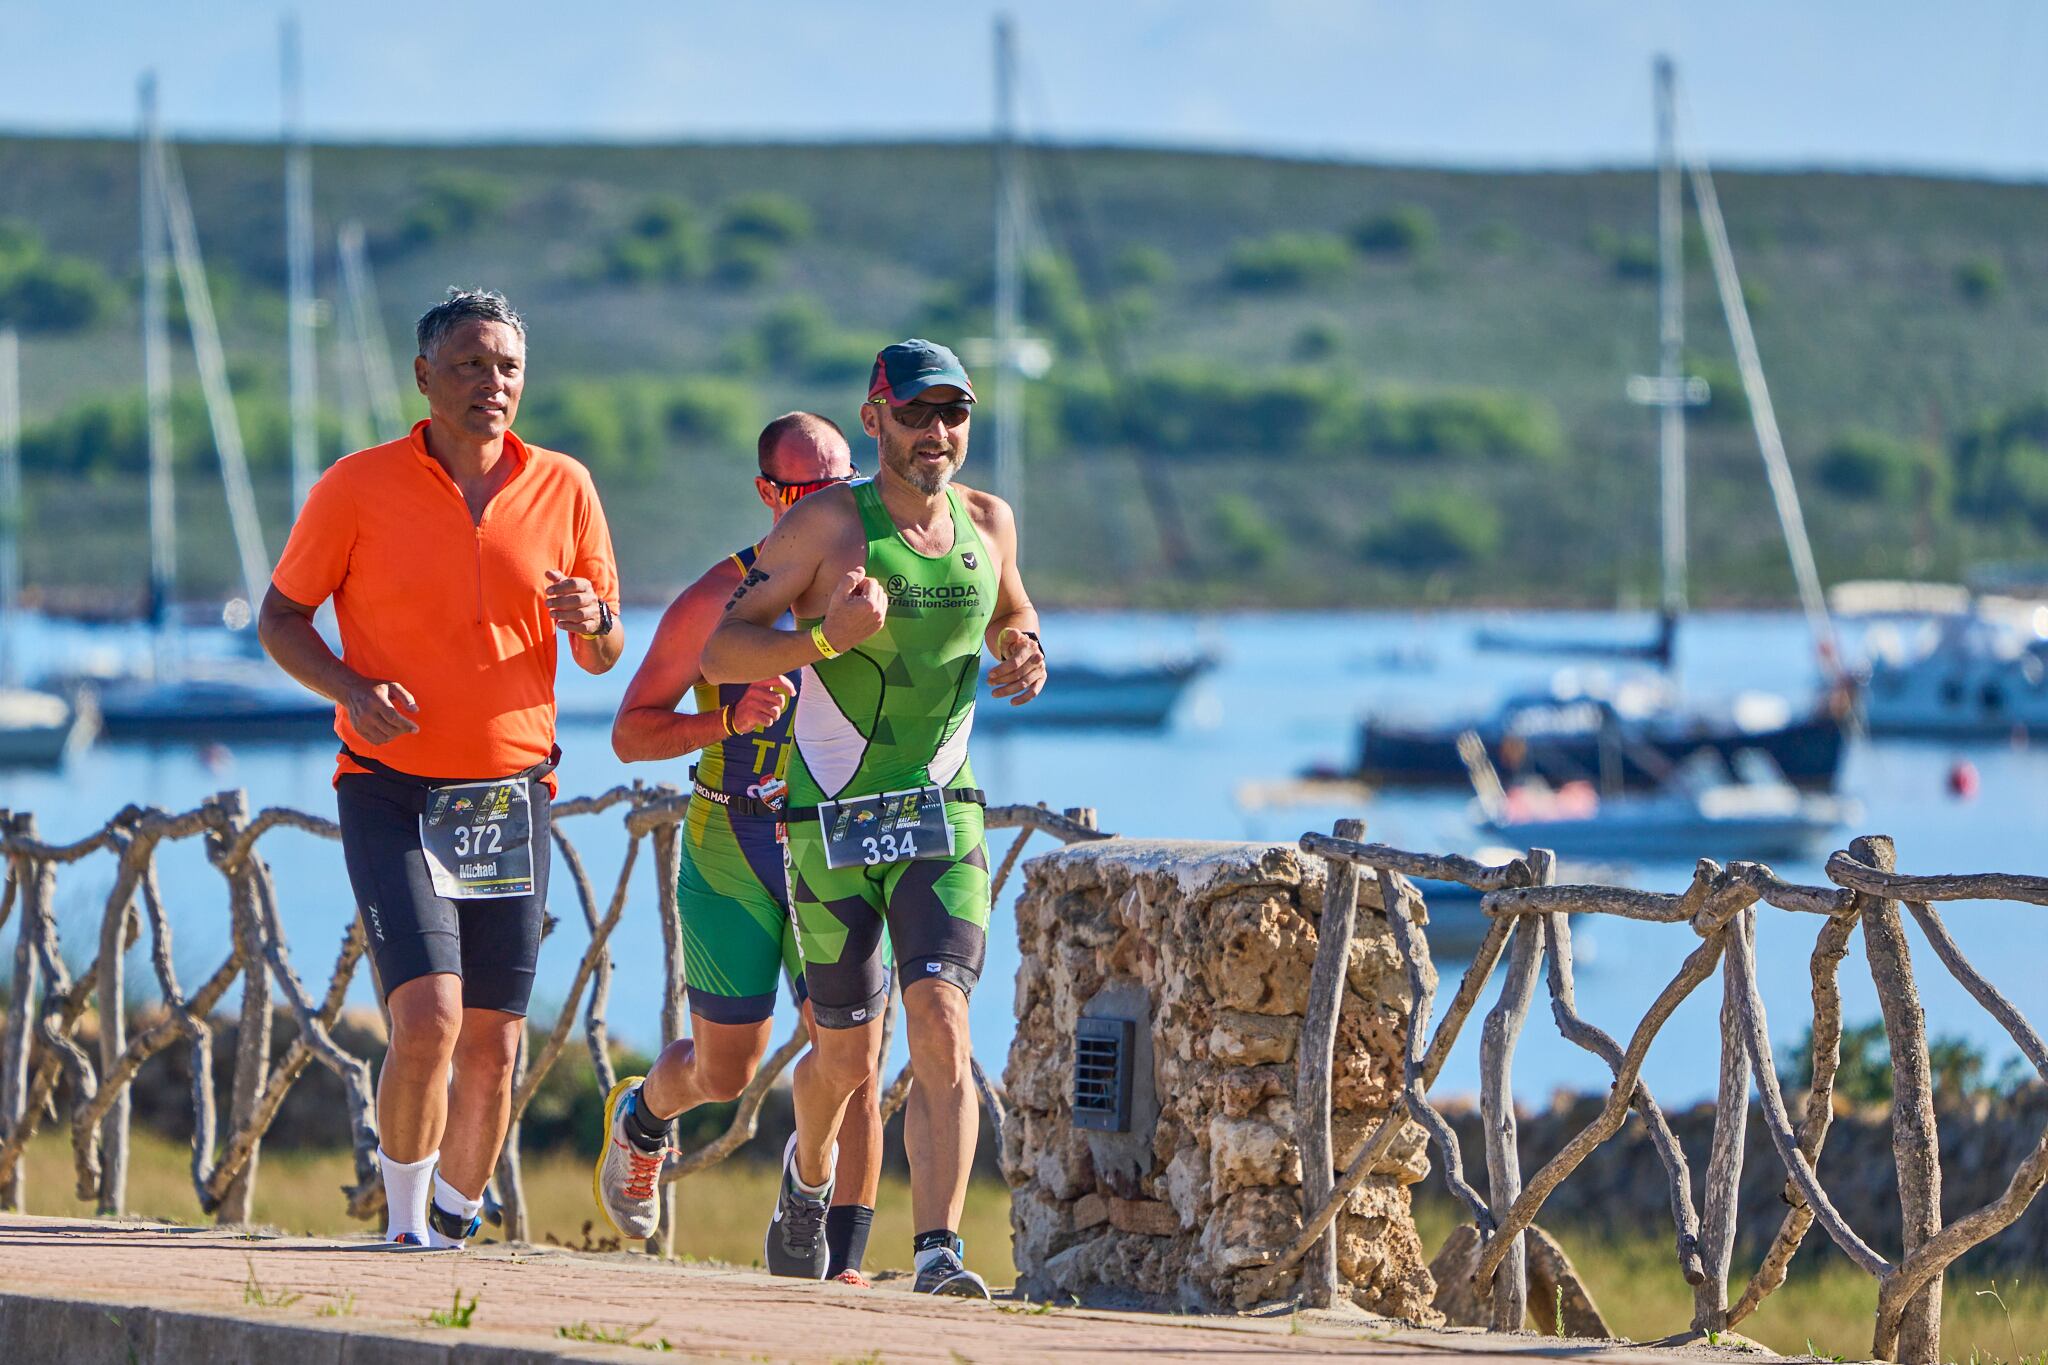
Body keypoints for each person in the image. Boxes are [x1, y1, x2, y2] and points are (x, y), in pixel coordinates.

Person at [259, 288, 623, 1248]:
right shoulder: (356, 486)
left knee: (497, 1043)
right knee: (427, 1016)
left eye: (505, 366)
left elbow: (604, 647)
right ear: (424, 377)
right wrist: (348, 683)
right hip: (390, 785)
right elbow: (280, 619)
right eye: (467, 363)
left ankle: (455, 1224)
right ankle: (407, 1226)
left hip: (511, 794)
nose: (488, 383)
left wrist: (594, 624)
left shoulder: (565, 486)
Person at [700, 340, 1046, 1296]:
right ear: (874, 418)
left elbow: (1014, 613)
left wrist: (1026, 656)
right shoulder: (823, 527)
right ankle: (807, 1175)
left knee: (942, 1018)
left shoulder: (989, 522)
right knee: (844, 1058)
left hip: (944, 815)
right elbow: (722, 649)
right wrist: (821, 638)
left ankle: (939, 1250)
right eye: (917, 413)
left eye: (954, 414)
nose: (937, 433)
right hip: (832, 827)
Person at [595, 413, 886, 1285]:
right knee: (725, 1071)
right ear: (767, 495)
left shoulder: (876, 589)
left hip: (833, 844)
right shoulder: (715, 598)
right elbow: (631, 734)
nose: (824, 505)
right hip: (732, 842)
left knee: (857, 1054)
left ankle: (839, 1256)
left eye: (839, 485)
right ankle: (643, 1117)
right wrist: (725, 718)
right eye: (804, 491)